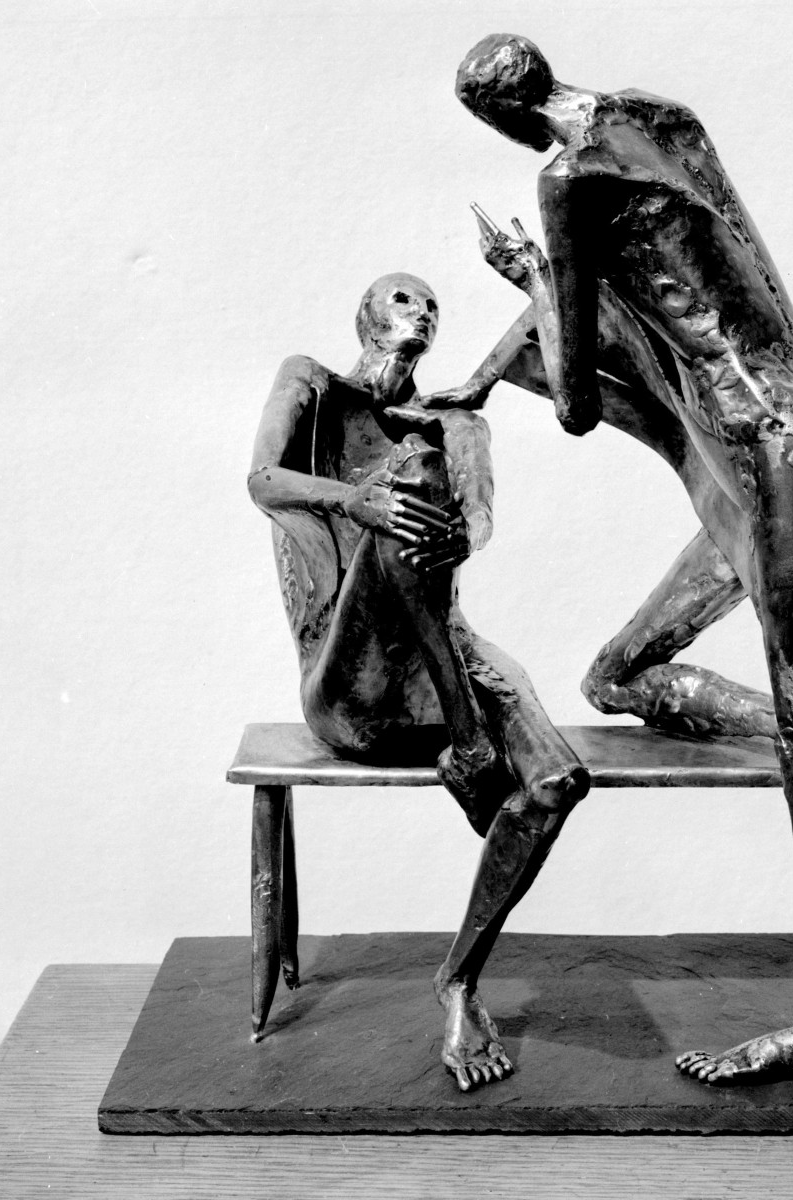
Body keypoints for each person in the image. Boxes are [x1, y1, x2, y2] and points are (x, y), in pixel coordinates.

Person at [426, 34, 793, 1083]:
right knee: (619, 677)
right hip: (785, 431)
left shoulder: (566, 181)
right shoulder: (657, 115)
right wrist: (494, 367)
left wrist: (530, 275)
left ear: (498, 119)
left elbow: (573, 402)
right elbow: (741, 278)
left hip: (764, 454)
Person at [249, 273, 589, 1089]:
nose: (422, 312)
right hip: (350, 682)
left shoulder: (454, 421)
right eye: (405, 299)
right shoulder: (311, 382)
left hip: (441, 668)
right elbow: (263, 479)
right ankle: (470, 742)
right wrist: (356, 502)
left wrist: (465, 532)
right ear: (364, 315)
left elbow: (477, 519)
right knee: (411, 475)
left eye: (432, 305)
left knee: (557, 782)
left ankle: (459, 982)